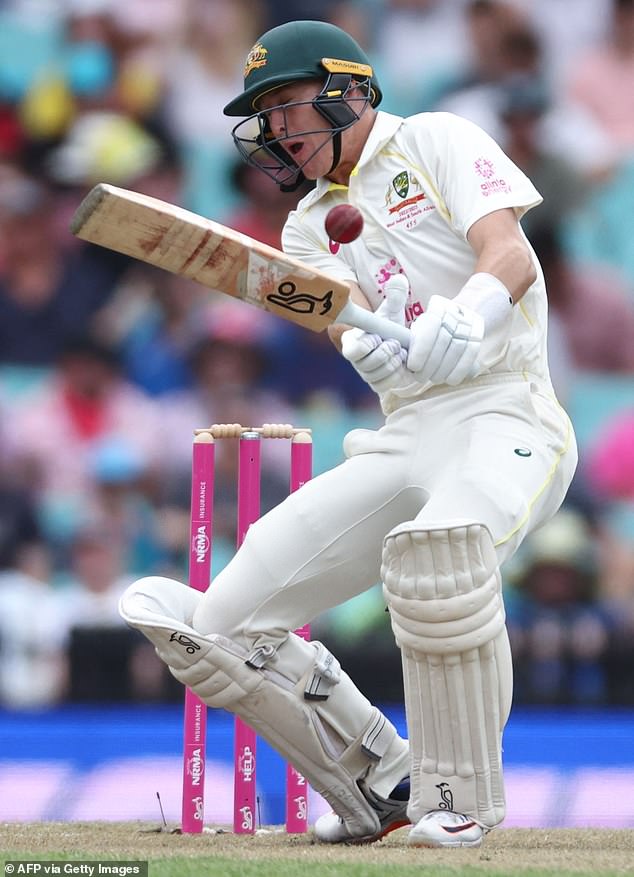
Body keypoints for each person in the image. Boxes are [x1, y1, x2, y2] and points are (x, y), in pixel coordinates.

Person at [119, 20, 578, 848]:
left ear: (348, 90)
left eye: (287, 107)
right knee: (220, 628)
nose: (279, 133)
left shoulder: (435, 139)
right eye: (266, 116)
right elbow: (338, 319)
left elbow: (508, 252)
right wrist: (361, 341)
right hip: (408, 430)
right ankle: (387, 783)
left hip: (507, 410)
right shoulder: (308, 225)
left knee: (440, 553)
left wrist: (468, 313)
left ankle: (458, 798)